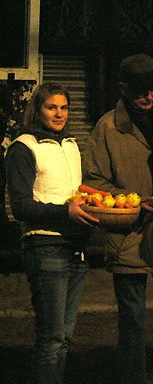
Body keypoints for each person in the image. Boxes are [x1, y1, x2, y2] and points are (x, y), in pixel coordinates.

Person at [82, 54, 153, 384]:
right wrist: (127, 202)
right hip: (129, 235)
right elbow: (92, 181)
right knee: (132, 319)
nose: (149, 97)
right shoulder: (107, 128)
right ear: (124, 90)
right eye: (142, 91)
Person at [5, 83, 98, 383]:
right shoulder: (24, 147)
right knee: (51, 338)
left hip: (75, 247)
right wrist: (63, 212)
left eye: (64, 107)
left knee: (64, 337)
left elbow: (72, 194)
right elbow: (20, 206)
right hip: (45, 247)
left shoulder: (71, 145)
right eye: (51, 107)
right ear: (38, 109)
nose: (59, 114)